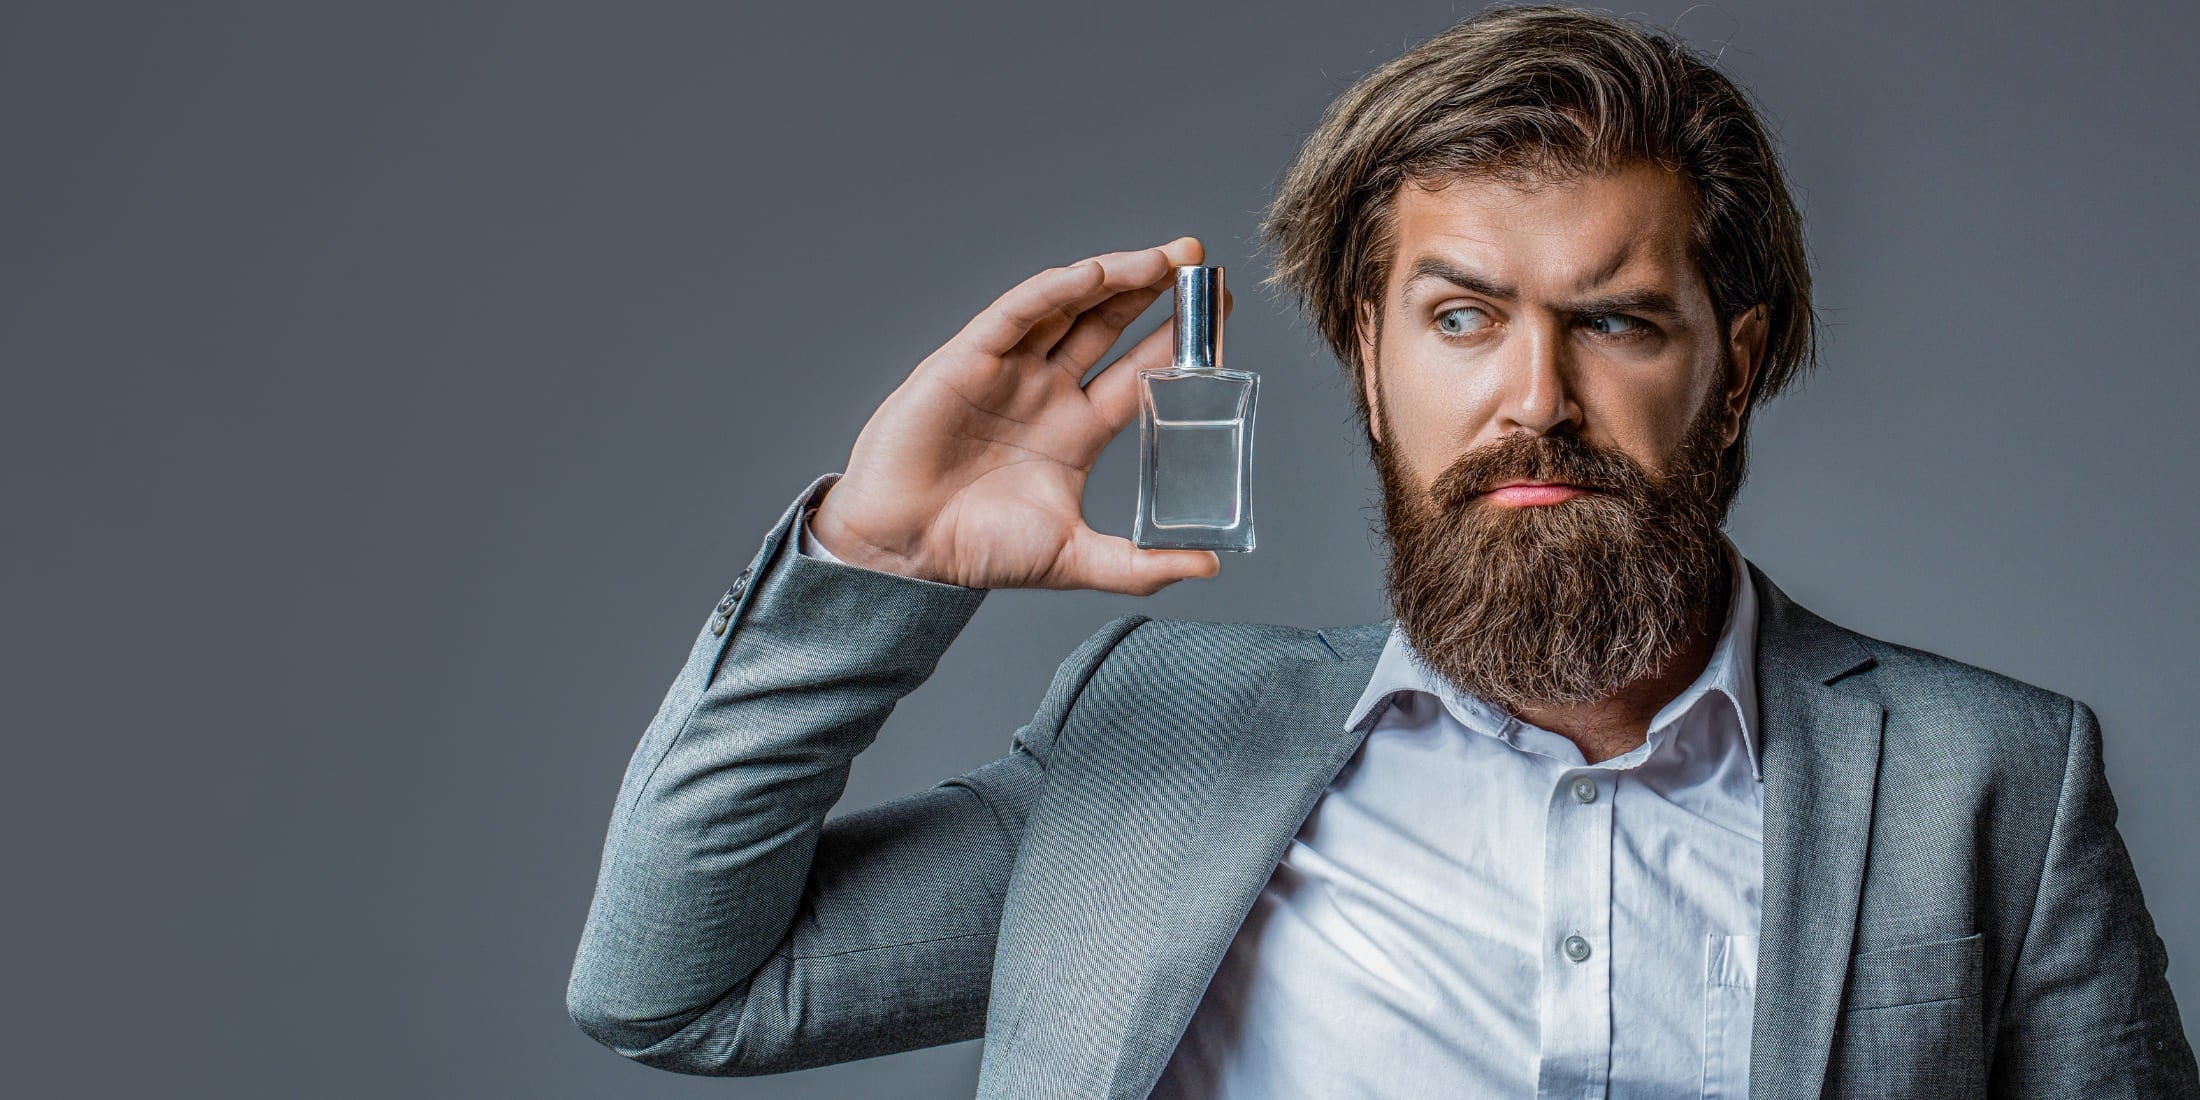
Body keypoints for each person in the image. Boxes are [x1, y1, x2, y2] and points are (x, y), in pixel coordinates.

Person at [564, 5, 2196, 1096]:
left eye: (1618, 321)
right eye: (1463, 317)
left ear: (1737, 359)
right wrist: (881, 554)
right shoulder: (1158, 740)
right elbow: (673, 988)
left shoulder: (1993, 778)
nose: (1533, 400)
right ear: (1365, 353)